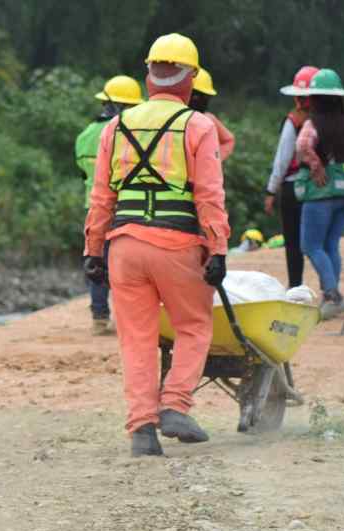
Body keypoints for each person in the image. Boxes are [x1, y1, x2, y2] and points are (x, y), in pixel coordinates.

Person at [83, 33, 230, 457]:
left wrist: (93, 250)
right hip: (178, 244)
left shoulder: (116, 125)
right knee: (194, 326)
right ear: (191, 80)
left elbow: (101, 197)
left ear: (148, 76)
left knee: (137, 339)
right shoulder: (198, 126)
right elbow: (209, 196)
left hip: (124, 248)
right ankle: (175, 405)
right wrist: (218, 250)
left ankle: (142, 431)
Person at [75, 75, 144, 335]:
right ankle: (128, 318)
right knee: (125, 263)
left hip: (92, 207)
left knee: (96, 259)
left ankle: (99, 317)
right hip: (124, 206)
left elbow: (83, 173)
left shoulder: (84, 136)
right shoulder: (128, 134)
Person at [295, 68, 344, 320]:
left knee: (310, 245)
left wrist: (316, 165)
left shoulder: (314, 123)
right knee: (331, 244)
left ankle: (333, 296)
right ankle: (331, 297)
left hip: (321, 192)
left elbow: (302, 147)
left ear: (316, 98)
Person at [264, 66, 319, 288]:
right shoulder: (325, 119)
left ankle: (295, 286)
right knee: (316, 242)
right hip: (319, 186)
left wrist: (270, 190)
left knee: (293, 242)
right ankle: (329, 286)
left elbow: (282, 160)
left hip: (292, 188)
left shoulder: (293, 121)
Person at [189, 68, 234, 161]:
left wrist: (213, 160)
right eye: (195, 94)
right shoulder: (171, 114)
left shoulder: (208, 119)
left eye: (204, 96)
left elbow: (229, 140)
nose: (196, 99)